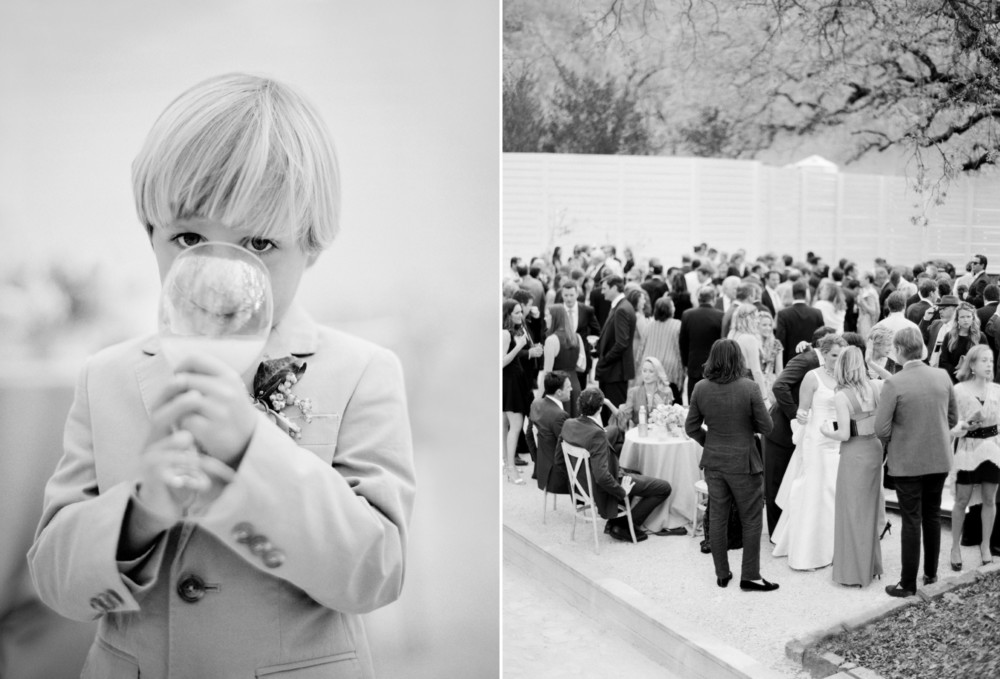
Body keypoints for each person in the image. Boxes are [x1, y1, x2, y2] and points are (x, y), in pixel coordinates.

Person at [27, 73, 415, 677]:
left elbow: (375, 573)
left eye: (258, 243)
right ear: (150, 235)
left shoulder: (362, 373)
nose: (218, 270)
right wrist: (139, 514)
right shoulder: (106, 377)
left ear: (311, 247)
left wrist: (252, 453)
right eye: (188, 237)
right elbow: (55, 579)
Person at [685, 340, 778, 591]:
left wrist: (712, 442)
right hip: (744, 463)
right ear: (739, 360)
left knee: (717, 517)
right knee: (751, 519)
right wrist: (748, 429)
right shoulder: (749, 387)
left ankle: (722, 573)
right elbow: (767, 427)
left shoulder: (700, 388)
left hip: (714, 463)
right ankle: (750, 576)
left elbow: (691, 427)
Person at [875, 326, 958, 597]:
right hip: (938, 458)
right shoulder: (942, 376)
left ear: (899, 351)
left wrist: (900, 439)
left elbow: (881, 429)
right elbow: (952, 419)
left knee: (911, 519)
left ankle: (907, 583)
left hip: (907, 461)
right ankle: (931, 575)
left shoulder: (894, 383)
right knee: (932, 515)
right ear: (921, 349)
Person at [771, 333, 848, 570]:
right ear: (824, 354)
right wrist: (802, 416)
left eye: (841, 356)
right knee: (815, 491)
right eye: (834, 355)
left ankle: (834, 548)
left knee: (834, 492)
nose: (838, 360)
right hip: (816, 440)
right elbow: (802, 411)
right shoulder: (811, 377)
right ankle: (808, 553)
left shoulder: (846, 377)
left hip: (838, 442)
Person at [560, 388, 672, 543]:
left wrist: (578, 481)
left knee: (635, 471)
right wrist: (621, 491)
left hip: (581, 486)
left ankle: (615, 521)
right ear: (600, 408)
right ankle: (625, 525)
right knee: (664, 488)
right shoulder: (596, 434)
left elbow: (559, 460)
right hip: (600, 488)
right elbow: (601, 476)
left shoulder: (568, 424)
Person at [818, 347, 885, 587]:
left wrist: (827, 431)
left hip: (855, 453)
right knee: (869, 510)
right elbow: (894, 381)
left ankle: (855, 573)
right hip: (874, 450)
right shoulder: (874, 387)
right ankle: (872, 566)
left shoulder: (841, 396)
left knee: (851, 512)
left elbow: (845, 434)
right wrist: (875, 366)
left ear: (842, 366)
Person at [762, 327, 835, 536]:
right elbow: (779, 386)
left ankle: (789, 531)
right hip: (780, 429)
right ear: (822, 344)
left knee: (791, 481)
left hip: (801, 433)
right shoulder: (806, 359)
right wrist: (797, 416)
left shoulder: (823, 363)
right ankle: (776, 533)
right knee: (776, 484)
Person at [947, 345, 1000, 571]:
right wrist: (964, 426)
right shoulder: (958, 390)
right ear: (972, 365)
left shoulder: (997, 390)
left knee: (990, 499)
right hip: (968, 449)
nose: (989, 365)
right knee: (961, 500)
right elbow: (950, 425)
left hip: (992, 448)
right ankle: (954, 548)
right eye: (984, 361)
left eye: (991, 360)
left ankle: (985, 545)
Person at [595, 275, 637, 416]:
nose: (602, 292)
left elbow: (621, 343)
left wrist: (605, 359)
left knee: (614, 415)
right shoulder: (620, 307)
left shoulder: (621, 309)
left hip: (615, 371)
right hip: (614, 371)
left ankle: (617, 439)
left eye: (605, 288)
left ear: (614, 288)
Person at [528, 371, 572, 494]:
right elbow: (568, 445)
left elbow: (529, 436)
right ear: (559, 392)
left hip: (542, 470)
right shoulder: (560, 415)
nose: (571, 389)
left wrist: (537, 460)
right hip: (558, 476)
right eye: (568, 387)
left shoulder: (536, 403)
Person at [502, 300, 531, 484]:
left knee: (506, 425)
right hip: (510, 381)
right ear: (508, 315)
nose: (521, 315)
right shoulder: (505, 333)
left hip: (514, 380)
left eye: (521, 312)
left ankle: (507, 463)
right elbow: (501, 361)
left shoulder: (512, 332)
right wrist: (519, 346)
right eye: (517, 313)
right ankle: (511, 469)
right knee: (516, 425)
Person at [679, 285, 725, 402]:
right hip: (715, 364)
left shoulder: (687, 314)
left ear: (699, 299)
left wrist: (685, 363)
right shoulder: (720, 315)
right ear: (713, 299)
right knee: (712, 400)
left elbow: (683, 342)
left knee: (694, 400)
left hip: (694, 363)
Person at [539, 304, 582, 417]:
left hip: (558, 388)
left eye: (547, 315)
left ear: (555, 318)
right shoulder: (577, 337)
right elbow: (582, 366)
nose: (545, 318)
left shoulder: (551, 340)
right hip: (574, 384)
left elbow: (547, 373)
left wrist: (538, 398)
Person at [607, 356, 674, 429]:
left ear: (658, 373)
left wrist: (662, 407)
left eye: (651, 371)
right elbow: (624, 416)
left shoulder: (666, 391)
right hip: (639, 433)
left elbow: (670, 420)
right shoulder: (634, 392)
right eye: (644, 371)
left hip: (659, 433)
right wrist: (608, 403)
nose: (646, 375)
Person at [560, 279, 601, 390]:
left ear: (577, 294)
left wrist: (592, 347)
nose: (568, 298)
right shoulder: (557, 310)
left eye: (571, 295)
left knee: (580, 389)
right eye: (566, 295)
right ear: (562, 295)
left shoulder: (587, 310)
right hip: (561, 358)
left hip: (581, 358)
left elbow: (596, 330)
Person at [642, 296, 684, 403]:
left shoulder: (649, 326)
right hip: (670, 368)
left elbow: (641, 348)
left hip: (651, 366)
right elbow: (679, 349)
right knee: (673, 402)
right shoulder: (678, 325)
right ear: (670, 309)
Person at [775, 280, 825, 366]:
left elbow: (780, 339)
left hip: (790, 360)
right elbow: (821, 338)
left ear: (793, 294)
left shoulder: (783, 313)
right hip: (813, 359)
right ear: (806, 293)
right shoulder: (817, 313)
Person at [728, 303, 769, 405]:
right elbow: (756, 371)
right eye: (755, 317)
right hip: (748, 385)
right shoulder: (749, 339)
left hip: (733, 384)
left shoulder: (732, 335)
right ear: (748, 319)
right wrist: (764, 398)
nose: (758, 320)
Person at [938, 301, 986, 383]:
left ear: (973, 318)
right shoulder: (949, 336)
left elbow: (985, 360)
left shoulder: (980, 337)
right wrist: (958, 372)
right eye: (962, 317)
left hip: (973, 381)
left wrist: (970, 372)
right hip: (952, 380)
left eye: (968, 316)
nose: (966, 320)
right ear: (957, 319)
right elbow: (943, 362)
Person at [625, 287, 651, 387]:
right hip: (636, 349)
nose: (644, 301)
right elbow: (644, 334)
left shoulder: (633, 314)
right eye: (642, 299)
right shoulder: (639, 317)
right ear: (637, 302)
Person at [758, 311, 784, 394]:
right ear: (757, 326)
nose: (768, 328)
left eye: (770, 325)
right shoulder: (753, 343)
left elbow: (779, 371)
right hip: (755, 384)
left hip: (770, 385)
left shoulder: (776, 344)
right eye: (764, 325)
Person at [855, 271, 881, 340]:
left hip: (867, 323)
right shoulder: (864, 291)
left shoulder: (870, 293)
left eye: (861, 278)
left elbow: (873, 311)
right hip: (863, 320)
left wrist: (862, 303)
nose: (859, 280)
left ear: (867, 279)